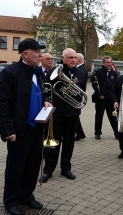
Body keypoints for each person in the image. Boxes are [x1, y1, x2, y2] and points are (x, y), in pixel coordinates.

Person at [0, 38, 52, 215]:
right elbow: (2, 103)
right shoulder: (10, 72)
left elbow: (45, 92)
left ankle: (26, 195)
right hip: (19, 130)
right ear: (25, 54)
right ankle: (11, 201)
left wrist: (46, 101)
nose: (40, 55)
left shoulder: (38, 72)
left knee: (33, 164)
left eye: (40, 51)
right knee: (16, 166)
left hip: (36, 128)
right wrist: (7, 129)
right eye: (37, 51)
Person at [41, 48, 86, 183]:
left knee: (69, 143)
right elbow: (46, 89)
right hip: (57, 113)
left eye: (75, 58)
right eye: (70, 57)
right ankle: (48, 170)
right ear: (63, 58)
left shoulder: (81, 73)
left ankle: (66, 168)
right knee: (53, 143)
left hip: (72, 114)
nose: (73, 60)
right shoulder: (53, 72)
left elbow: (81, 92)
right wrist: (46, 100)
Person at [91, 56, 119, 140]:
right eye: (107, 62)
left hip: (110, 99)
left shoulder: (115, 74)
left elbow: (116, 87)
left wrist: (115, 99)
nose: (109, 64)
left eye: (110, 62)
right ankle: (97, 133)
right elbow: (94, 84)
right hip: (100, 98)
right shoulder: (98, 72)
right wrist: (99, 94)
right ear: (103, 63)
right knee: (99, 116)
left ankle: (117, 133)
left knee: (113, 117)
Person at [75, 53, 88, 140]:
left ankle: (80, 133)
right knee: (75, 115)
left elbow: (82, 84)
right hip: (78, 94)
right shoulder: (82, 68)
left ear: (78, 60)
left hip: (77, 95)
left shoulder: (81, 69)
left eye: (75, 58)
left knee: (75, 115)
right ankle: (80, 133)